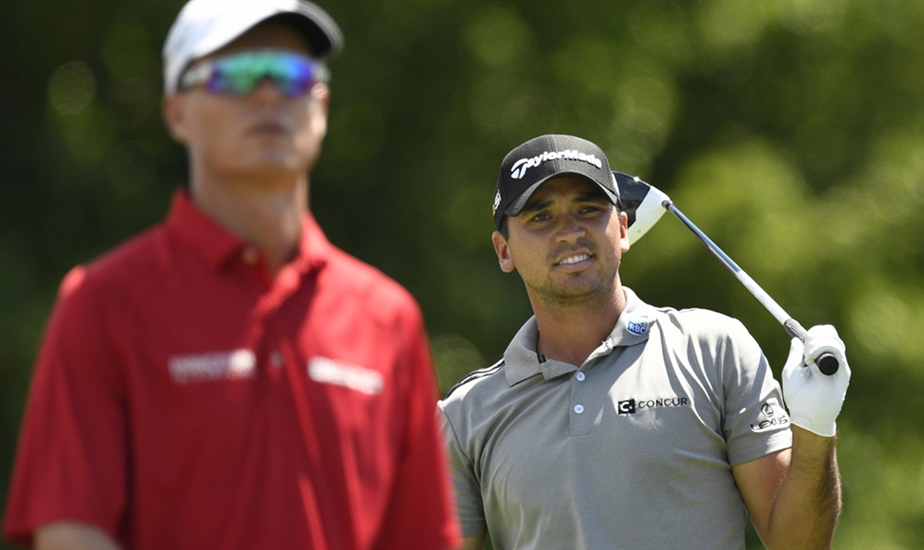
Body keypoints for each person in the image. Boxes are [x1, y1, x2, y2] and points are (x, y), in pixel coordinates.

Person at [3, 1, 460, 549]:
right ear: (176, 112)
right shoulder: (102, 302)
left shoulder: (388, 318)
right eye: (236, 75)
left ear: (322, 104)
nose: (268, 94)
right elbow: (72, 532)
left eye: (293, 76)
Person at [438, 134, 851, 549]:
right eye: (540, 217)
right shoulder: (466, 416)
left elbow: (798, 546)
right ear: (503, 250)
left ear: (621, 228)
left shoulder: (713, 350)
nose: (569, 232)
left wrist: (815, 431)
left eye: (588, 209)